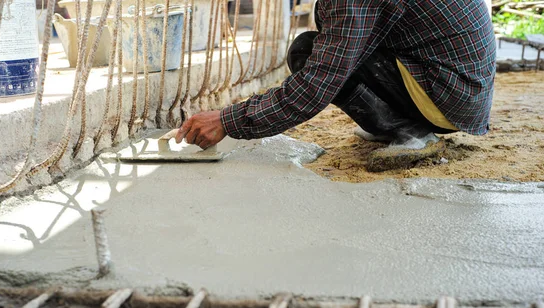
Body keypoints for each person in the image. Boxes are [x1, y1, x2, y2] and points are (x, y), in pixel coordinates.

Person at [176, 0, 496, 171]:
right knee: (316, 48)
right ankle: (399, 122)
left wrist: (227, 120)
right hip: (458, 88)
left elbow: (318, 83)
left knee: (308, 52)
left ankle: (411, 131)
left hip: (449, 97)